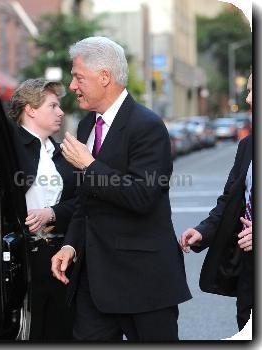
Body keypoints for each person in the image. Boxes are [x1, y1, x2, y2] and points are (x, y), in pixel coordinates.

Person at [51, 36, 192, 341]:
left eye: (78, 77)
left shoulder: (148, 126)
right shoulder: (88, 125)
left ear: (105, 77)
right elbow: (83, 201)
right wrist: (71, 244)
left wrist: (89, 166)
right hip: (93, 281)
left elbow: (142, 195)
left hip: (144, 281)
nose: (72, 86)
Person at [180, 73, 253, 331]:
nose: (248, 98)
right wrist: (203, 231)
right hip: (249, 268)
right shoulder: (247, 146)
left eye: (253, 91)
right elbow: (229, 201)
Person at [7, 78, 76, 341]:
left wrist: (52, 213)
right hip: (23, 259)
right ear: (30, 109)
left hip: (60, 256)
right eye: (53, 106)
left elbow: (79, 202)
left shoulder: (61, 153)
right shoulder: (11, 145)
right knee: (30, 333)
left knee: (61, 332)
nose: (60, 113)